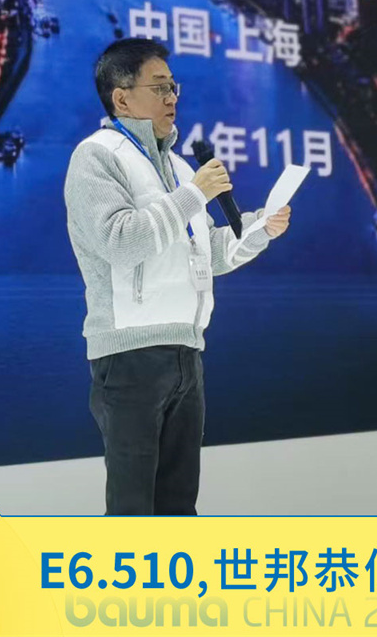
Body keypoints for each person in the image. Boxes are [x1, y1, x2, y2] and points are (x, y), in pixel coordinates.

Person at [64, 38, 291, 515]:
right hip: (129, 354)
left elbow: (209, 253)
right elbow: (120, 241)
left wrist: (258, 228)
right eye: (159, 88)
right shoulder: (97, 156)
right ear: (122, 98)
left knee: (179, 506)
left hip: (187, 352)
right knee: (132, 509)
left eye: (173, 87)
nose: (172, 98)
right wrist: (193, 195)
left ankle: (174, 572)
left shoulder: (180, 167)